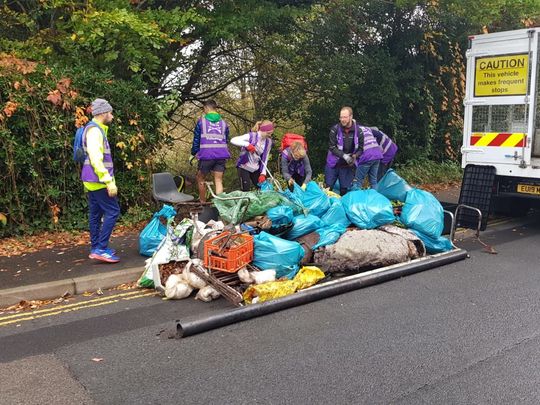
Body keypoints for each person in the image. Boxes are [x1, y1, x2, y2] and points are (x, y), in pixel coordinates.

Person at [82, 98, 120, 263]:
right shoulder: (95, 131)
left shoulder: (96, 129)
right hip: (99, 181)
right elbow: (96, 159)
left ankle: (96, 247)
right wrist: (108, 181)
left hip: (92, 180)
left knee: (96, 214)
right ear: (103, 113)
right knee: (113, 211)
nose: (111, 115)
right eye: (110, 112)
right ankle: (101, 248)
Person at [190, 100, 230, 202]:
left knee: (200, 178)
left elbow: (196, 139)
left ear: (206, 108)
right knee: (218, 180)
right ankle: (221, 206)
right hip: (221, 155)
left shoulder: (201, 122)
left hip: (207, 155)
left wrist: (194, 152)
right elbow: (226, 139)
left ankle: (202, 203)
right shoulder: (224, 123)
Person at [324, 106, 364, 196]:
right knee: (328, 187)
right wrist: (344, 156)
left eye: (345, 117)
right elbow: (332, 147)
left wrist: (354, 156)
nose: (342, 119)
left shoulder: (359, 131)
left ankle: (342, 208)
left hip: (347, 165)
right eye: (341, 117)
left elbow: (361, 149)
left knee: (344, 190)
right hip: (333, 163)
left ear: (350, 116)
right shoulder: (334, 129)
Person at [231, 120, 274, 191]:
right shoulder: (251, 136)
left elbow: (265, 159)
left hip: (256, 169)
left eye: (271, 133)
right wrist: (247, 144)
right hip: (244, 167)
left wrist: (263, 173)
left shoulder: (268, 142)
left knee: (262, 189)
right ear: (262, 130)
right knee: (246, 190)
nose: (269, 135)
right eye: (268, 133)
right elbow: (233, 140)